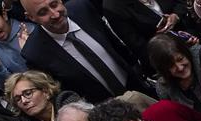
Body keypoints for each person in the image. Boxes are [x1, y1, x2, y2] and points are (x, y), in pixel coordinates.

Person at [19, 0, 153, 103]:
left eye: (54, 4)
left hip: (137, 85)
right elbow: (62, 94)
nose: (55, 14)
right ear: (31, 17)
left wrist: (138, 72)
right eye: (43, 12)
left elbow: (114, 44)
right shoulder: (34, 53)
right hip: (105, 109)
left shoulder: (82, 8)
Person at [147, 29, 201, 115]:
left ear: (186, 53)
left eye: (180, 59)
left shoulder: (199, 55)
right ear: (164, 70)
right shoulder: (164, 87)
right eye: (171, 66)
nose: (180, 67)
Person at [103, 0, 194, 66]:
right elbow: (140, 47)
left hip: (194, 32)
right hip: (168, 59)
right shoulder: (113, 6)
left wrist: (176, 15)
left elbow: (181, 2)